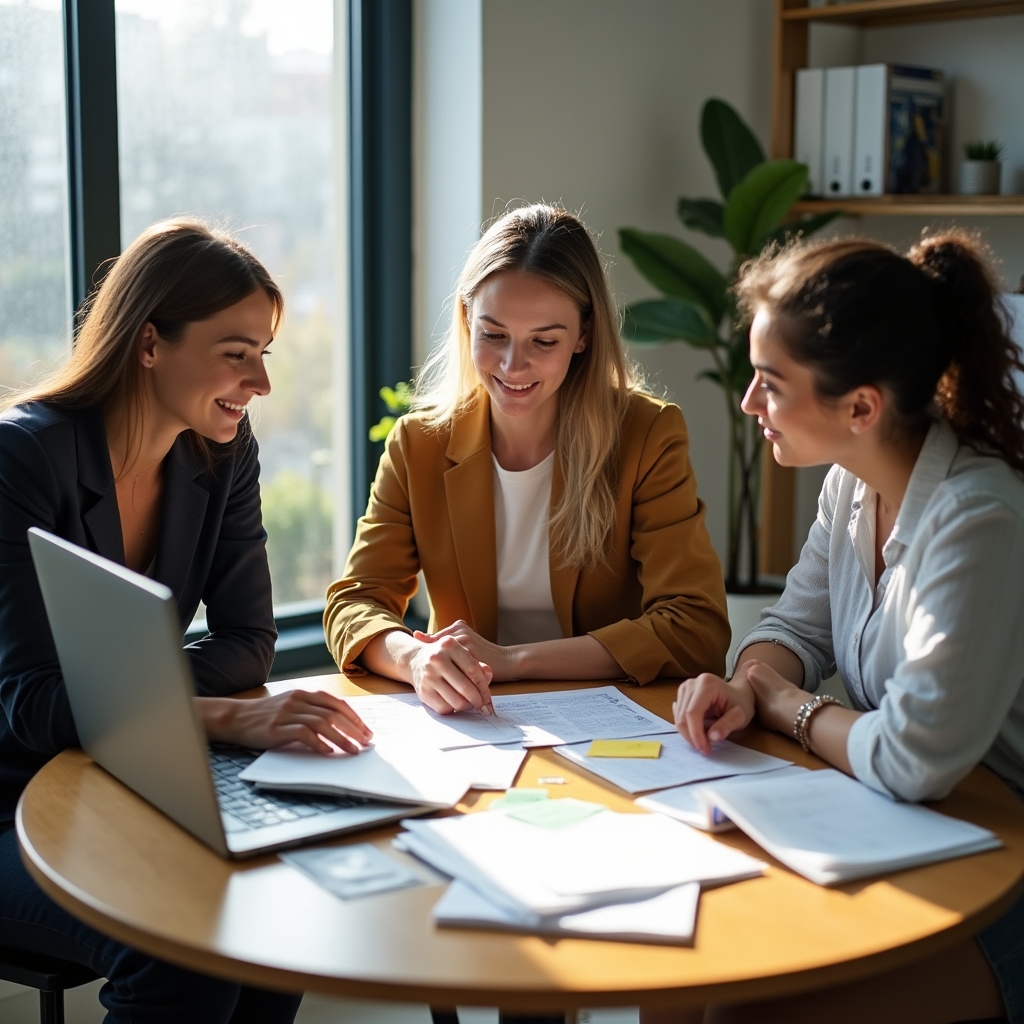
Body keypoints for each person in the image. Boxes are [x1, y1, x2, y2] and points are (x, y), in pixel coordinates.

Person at [0, 219, 371, 1024]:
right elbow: (26, 705)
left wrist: (133, 701)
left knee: (279, 916)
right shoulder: (23, 460)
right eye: (237, 354)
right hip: (12, 801)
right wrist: (214, 713)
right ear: (147, 345)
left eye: (265, 354)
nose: (262, 384)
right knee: (181, 951)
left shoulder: (223, 451)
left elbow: (249, 644)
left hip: (121, 782)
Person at [659, 231, 1024, 1024]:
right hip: (904, 830)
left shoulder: (978, 517)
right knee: (672, 980)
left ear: (861, 407)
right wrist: (746, 678)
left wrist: (782, 703)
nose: (749, 405)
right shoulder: (852, 483)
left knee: (742, 1013)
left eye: (769, 384)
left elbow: (911, 756)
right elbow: (795, 625)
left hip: (1003, 868)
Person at [325, 204, 729, 713]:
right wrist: (413, 658)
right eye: (493, 335)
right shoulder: (418, 443)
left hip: (607, 719)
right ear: (467, 320)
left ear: (584, 335)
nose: (514, 366)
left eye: (544, 341)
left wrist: (514, 661)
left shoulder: (647, 436)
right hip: (472, 723)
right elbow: (355, 603)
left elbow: (697, 627)